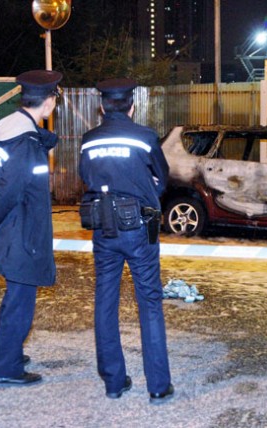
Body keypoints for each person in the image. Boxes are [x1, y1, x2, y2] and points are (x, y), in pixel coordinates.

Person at [78, 78, 174, 405]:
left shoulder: (88, 141)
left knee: (106, 300)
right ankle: (159, 386)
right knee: (149, 301)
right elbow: (163, 178)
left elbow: (86, 178)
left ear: (102, 107)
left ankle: (114, 382)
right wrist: (145, 191)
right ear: (132, 107)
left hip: (103, 228)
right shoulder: (145, 137)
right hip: (139, 228)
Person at [0, 69, 63, 386]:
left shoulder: (2, 130)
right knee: (20, 300)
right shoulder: (26, 140)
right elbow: (11, 189)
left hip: (5, 229)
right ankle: (6, 367)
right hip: (22, 233)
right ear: (48, 103)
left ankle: (10, 354)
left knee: (16, 296)